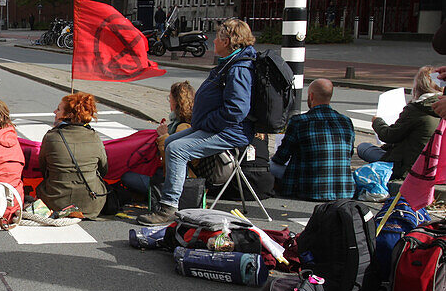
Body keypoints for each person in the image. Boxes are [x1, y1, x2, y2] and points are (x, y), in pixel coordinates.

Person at [137, 18, 257, 226]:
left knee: (177, 150)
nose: (213, 42)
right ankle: (174, 196)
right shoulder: (231, 63)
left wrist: (208, 121)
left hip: (228, 131)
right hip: (215, 126)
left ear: (227, 40)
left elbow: (237, 109)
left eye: (217, 38)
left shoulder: (239, 68)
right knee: (170, 142)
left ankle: (169, 207)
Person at [269, 79, 356, 200]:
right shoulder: (346, 121)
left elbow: (281, 157)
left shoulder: (299, 121)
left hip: (307, 188)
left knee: (270, 165)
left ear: (311, 96)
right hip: (343, 190)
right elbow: (349, 153)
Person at [357, 65, 441, 182]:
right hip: (435, 167)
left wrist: (377, 121)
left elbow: (389, 136)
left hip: (406, 167)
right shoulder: (441, 108)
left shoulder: (416, 109)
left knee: (363, 147)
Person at [37, 93, 108, 217]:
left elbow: (44, 168)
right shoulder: (95, 137)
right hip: (92, 204)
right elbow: (103, 169)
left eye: (58, 109)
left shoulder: (51, 137)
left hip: (55, 202)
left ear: (69, 115)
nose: (54, 111)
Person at [121, 81, 195, 195]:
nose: (169, 101)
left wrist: (163, 136)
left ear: (177, 102)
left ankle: (156, 195)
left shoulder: (183, 127)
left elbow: (174, 159)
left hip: (176, 181)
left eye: (170, 98)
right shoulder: (181, 123)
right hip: (171, 175)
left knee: (127, 177)